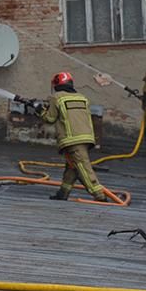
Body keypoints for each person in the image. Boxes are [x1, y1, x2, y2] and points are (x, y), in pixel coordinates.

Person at [31, 72, 109, 201]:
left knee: (83, 167)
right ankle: (63, 193)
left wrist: (39, 111)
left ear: (56, 84)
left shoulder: (56, 97)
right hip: (87, 137)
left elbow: (50, 118)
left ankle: (99, 195)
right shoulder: (82, 97)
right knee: (72, 167)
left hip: (72, 139)